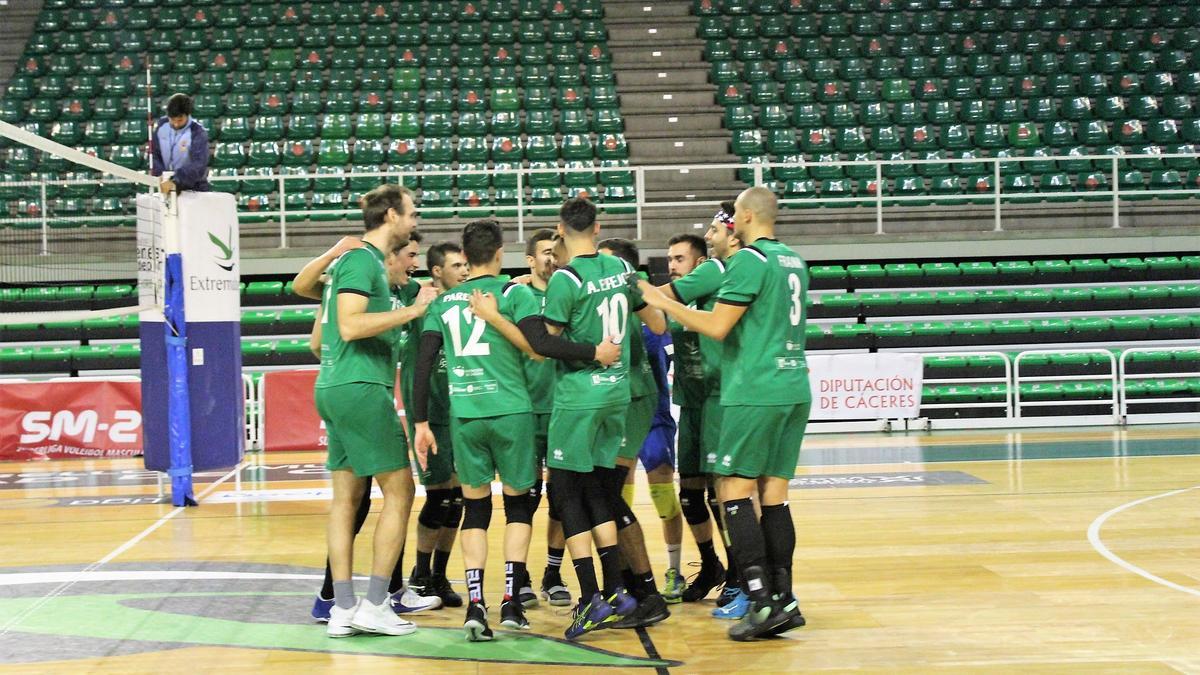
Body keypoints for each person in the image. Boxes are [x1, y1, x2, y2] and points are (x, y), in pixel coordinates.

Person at [471, 198, 663, 639]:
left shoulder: (566, 279)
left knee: (568, 494)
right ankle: (616, 591)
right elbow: (655, 322)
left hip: (579, 399)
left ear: (560, 229)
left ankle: (593, 596)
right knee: (598, 489)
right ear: (598, 227)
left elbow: (542, 345)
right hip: (618, 395)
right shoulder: (621, 271)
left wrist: (502, 318)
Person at [639, 186, 809, 641]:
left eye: (733, 216)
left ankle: (756, 598)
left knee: (733, 491)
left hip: (754, 388)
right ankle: (784, 598)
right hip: (793, 385)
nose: (730, 223)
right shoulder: (793, 260)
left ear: (749, 216)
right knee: (774, 494)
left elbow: (717, 326)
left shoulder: (749, 261)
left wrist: (662, 302)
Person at [313, 184, 436, 638]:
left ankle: (343, 607)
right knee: (401, 490)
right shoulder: (363, 260)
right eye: (411, 212)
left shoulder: (355, 264)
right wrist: (413, 311)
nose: (414, 219)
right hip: (360, 389)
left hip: (334, 386)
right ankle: (377, 602)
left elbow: (319, 337)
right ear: (390, 216)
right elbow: (348, 325)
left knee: (346, 499)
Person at [595, 237, 675, 620]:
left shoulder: (629, 291)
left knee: (609, 495)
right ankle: (628, 586)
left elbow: (660, 324)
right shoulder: (602, 293)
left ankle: (647, 592)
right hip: (613, 398)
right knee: (605, 496)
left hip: (635, 398)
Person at [400, 242, 471, 609]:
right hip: (429, 414)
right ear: (437, 272)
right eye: (455, 265)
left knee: (457, 497)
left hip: (460, 412)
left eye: (465, 264)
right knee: (439, 495)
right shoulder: (420, 300)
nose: (463, 270)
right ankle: (420, 572)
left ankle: (440, 575)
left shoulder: (468, 303)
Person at [522, 228, 573, 608]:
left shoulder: (569, 293)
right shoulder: (517, 295)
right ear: (530, 260)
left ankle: (553, 573)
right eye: (543, 252)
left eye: (554, 251)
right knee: (524, 497)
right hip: (524, 408)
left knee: (560, 498)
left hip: (562, 408)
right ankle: (519, 574)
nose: (550, 258)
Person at [150, 93, 210, 194]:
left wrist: (176, 180)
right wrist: (160, 175)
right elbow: (154, 155)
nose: (176, 124)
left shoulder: (198, 133)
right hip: (165, 186)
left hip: (194, 189)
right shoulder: (160, 128)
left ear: (188, 115)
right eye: (172, 120)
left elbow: (198, 164)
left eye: (180, 120)